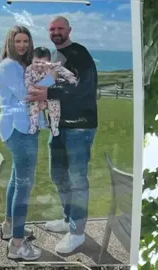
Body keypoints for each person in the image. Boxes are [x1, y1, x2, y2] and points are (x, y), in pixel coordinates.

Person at [27, 16, 98, 254]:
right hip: (58, 128)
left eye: (60, 28)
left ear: (69, 30)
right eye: (52, 29)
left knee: (77, 180)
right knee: (58, 175)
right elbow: (47, 84)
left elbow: (82, 87)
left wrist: (47, 92)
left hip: (80, 126)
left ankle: (77, 233)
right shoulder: (55, 58)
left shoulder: (80, 54)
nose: (56, 32)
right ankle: (68, 219)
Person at [0, 25, 55, 261]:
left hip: (21, 129)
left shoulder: (19, 65)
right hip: (20, 131)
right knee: (24, 185)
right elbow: (25, 95)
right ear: (10, 42)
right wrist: (53, 77)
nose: (22, 46)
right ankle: (17, 245)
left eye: (25, 41)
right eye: (18, 41)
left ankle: (10, 227)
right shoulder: (9, 65)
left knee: (16, 179)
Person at [24, 46, 77, 136]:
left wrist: (70, 77)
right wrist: (29, 87)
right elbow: (27, 79)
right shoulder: (29, 69)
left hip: (50, 91)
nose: (39, 65)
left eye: (43, 63)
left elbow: (62, 69)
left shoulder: (52, 66)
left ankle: (54, 126)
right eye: (36, 62)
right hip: (36, 92)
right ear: (32, 60)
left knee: (55, 107)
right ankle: (34, 124)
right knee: (33, 107)